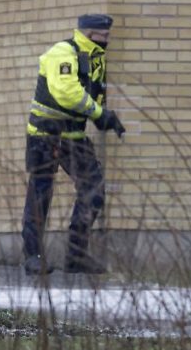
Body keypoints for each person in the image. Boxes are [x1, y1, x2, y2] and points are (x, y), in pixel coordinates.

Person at [21, 14, 126, 276]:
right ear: (90, 34)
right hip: (46, 135)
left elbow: (92, 94)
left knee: (93, 189)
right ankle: (33, 257)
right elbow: (66, 92)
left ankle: (76, 256)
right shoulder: (63, 52)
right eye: (104, 36)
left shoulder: (95, 59)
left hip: (74, 137)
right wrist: (99, 114)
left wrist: (104, 116)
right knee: (40, 194)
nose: (107, 40)